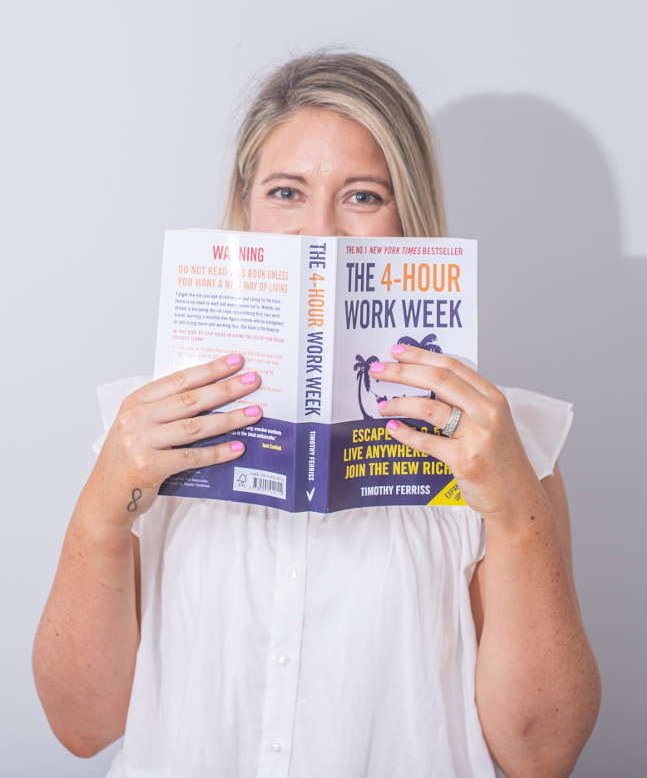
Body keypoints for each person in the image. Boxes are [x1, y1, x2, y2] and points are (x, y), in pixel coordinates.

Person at [33, 52, 601, 778]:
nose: (321, 234)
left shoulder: (501, 441)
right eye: (287, 192)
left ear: (409, 217)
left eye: (363, 195)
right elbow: (81, 726)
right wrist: (103, 509)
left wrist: (518, 509)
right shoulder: (146, 431)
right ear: (245, 210)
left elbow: (542, 752)